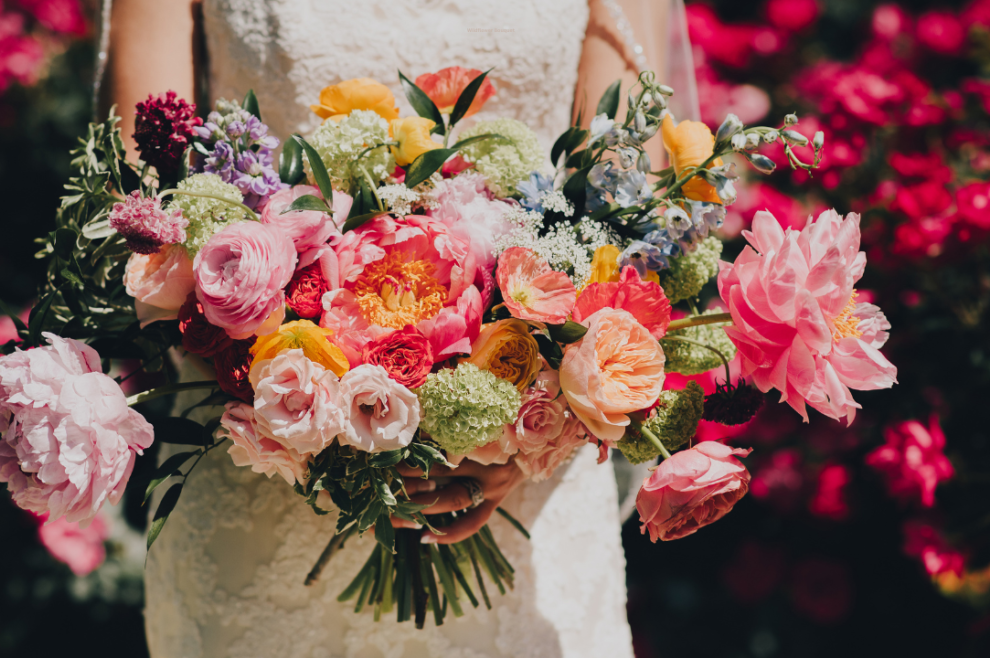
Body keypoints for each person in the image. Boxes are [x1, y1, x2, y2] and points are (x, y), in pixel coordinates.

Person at [104, 1, 692, 655]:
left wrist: (527, 428)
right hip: (265, 467)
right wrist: (304, 406)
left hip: (525, 495)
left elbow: (631, 196)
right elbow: (140, 205)